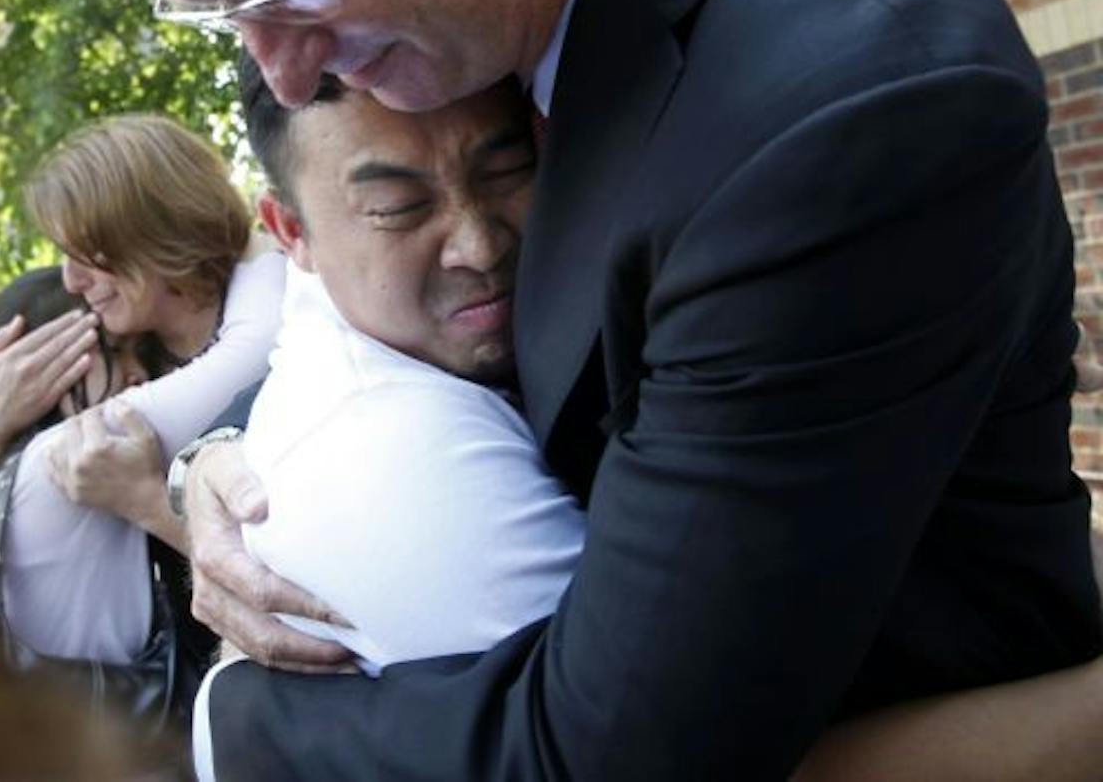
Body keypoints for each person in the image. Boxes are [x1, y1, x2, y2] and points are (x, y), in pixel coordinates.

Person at [0, 0, 1102, 777]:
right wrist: (210, 463)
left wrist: (234, 722)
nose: (279, 71)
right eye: (218, 14)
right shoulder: (472, 35)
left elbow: (623, 750)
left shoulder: (831, 105)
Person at [197, 68, 1103, 781]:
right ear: (292, 233)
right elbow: (715, 759)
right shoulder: (410, 479)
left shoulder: (368, 333)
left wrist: (195, 460)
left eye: (508, 168)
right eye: (397, 208)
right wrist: (237, 722)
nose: (478, 243)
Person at [0, 114, 284, 666]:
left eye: (87, 251)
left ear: (153, 230)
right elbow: (12, 510)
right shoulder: (123, 359)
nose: (70, 281)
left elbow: (299, 572)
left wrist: (149, 505)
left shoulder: (272, 322)